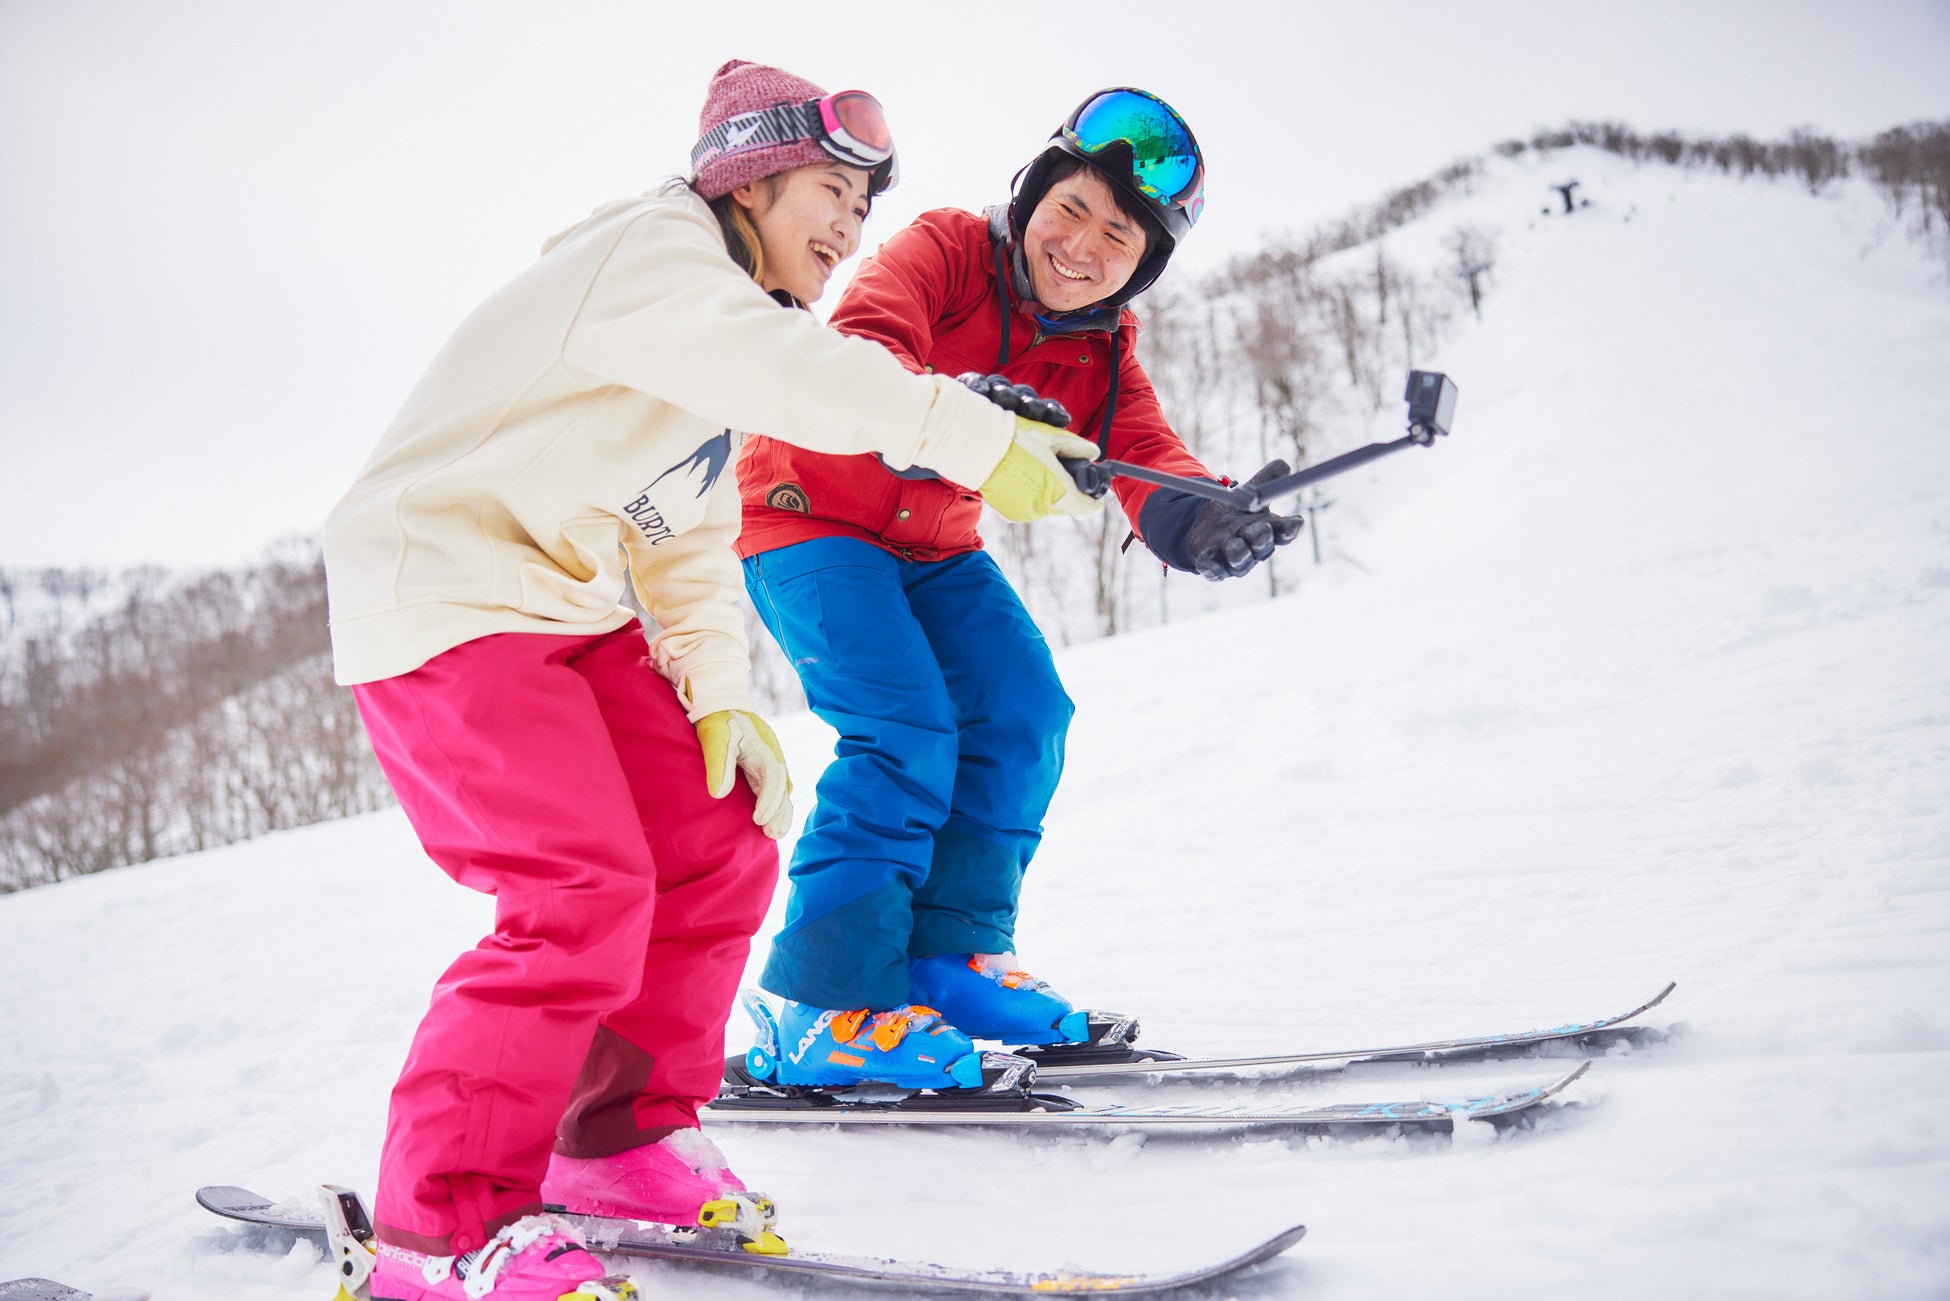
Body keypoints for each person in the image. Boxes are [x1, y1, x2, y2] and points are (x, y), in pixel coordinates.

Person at [322, 59, 1099, 1301]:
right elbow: (810, 380)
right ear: (749, 173)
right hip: (442, 597)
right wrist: (978, 434)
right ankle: (441, 1227)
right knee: (580, 888)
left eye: (865, 207)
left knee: (715, 842)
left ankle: (616, 1135)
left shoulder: (723, 334)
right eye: (832, 192)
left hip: (561, 608)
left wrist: (718, 690)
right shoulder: (655, 257)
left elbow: (679, 532)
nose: (851, 228)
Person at [735, 87, 1305, 1088]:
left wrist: (1203, 517)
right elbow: (864, 338)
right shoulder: (947, 249)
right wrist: (952, 406)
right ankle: (824, 1003)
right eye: (1072, 207)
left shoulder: (1105, 349)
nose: (1083, 243)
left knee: (1023, 709)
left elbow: (1141, 454)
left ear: (1142, 265)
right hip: (809, 511)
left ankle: (944, 959)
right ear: (1034, 192)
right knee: (907, 727)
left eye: (1119, 235)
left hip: (935, 543)